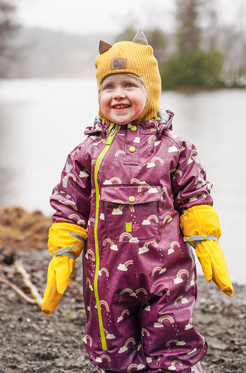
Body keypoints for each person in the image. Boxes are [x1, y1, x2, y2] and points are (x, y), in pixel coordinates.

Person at [42, 30, 233, 373]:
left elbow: (194, 197)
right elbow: (69, 206)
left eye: (130, 85)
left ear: (151, 91)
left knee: (173, 344)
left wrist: (206, 242)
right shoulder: (86, 153)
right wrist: (62, 255)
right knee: (111, 352)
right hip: (105, 278)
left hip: (167, 274)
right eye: (108, 87)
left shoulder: (175, 148)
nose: (118, 95)